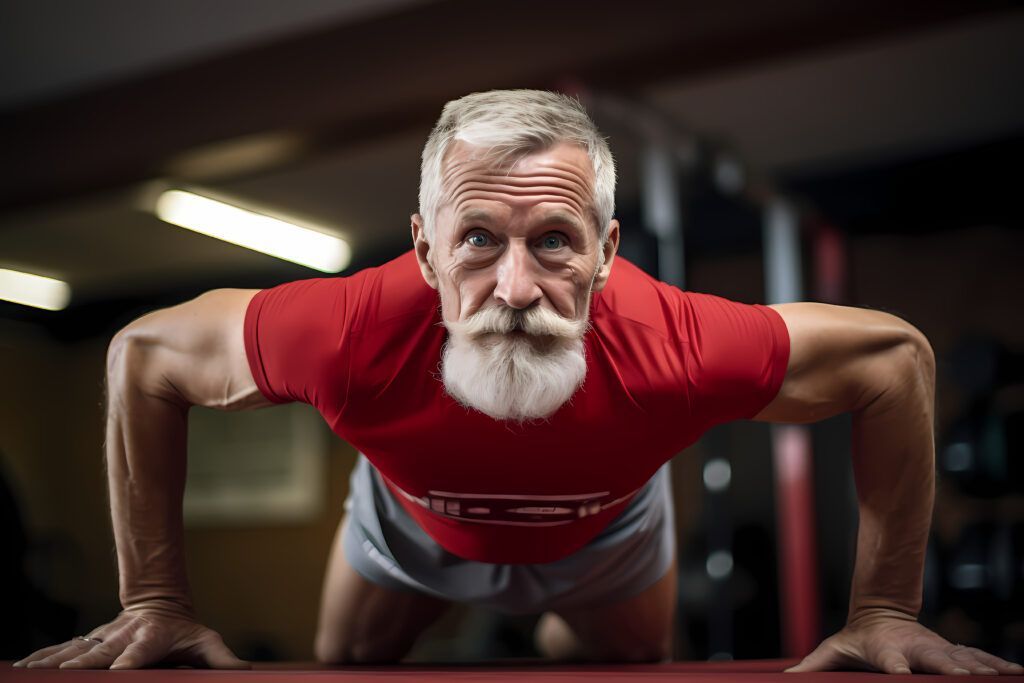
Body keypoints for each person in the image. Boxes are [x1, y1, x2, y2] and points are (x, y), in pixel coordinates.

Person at [13, 90, 1022, 675]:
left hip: (608, 543)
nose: (514, 286)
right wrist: (153, 594)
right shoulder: (348, 331)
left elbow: (893, 360)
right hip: (405, 537)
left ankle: (551, 615)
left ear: (607, 249)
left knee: (614, 674)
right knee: (346, 671)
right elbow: (142, 355)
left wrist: (884, 606)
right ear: (420, 249)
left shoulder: (674, 341)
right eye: (478, 239)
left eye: (553, 241)